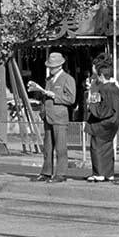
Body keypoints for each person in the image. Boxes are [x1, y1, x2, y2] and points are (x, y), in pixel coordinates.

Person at [27, 52, 76, 183]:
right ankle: (46, 172)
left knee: (60, 147)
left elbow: (71, 99)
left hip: (60, 117)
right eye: (49, 66)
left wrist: (54, 95)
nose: (50, 68)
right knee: (48, 147)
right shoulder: (49, 80)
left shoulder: (68, 79)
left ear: (60, 66)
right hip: (48, 116)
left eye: (52, 66)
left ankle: (61, 174)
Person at [84, 54, 119, 182]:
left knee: (96, 147)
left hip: (101, 122)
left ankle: (99, 173)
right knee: (108, 147)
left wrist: (90, 102)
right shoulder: (115, 87)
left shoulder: (101, 88)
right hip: (114, 122)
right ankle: (109, 173)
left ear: (100, 75)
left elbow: (97, 109)